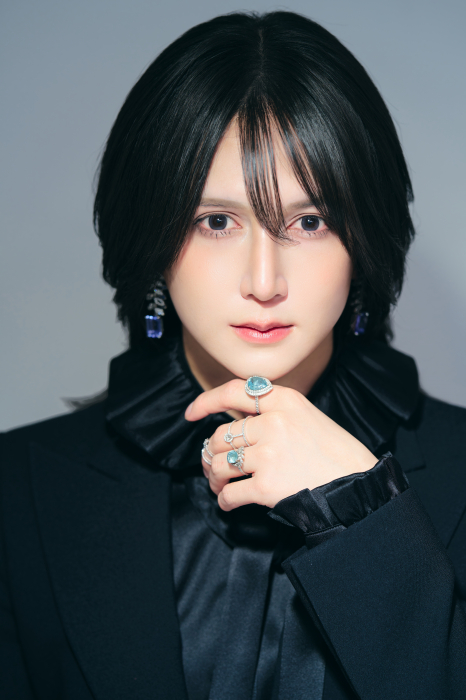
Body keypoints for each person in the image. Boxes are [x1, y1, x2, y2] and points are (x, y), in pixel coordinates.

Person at [1, 10, 465, 700]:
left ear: (365, 240)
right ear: (151, 236)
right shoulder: (17, 490)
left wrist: (365, 517)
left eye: (309, 221)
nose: (264, 282)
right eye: (216, 222)